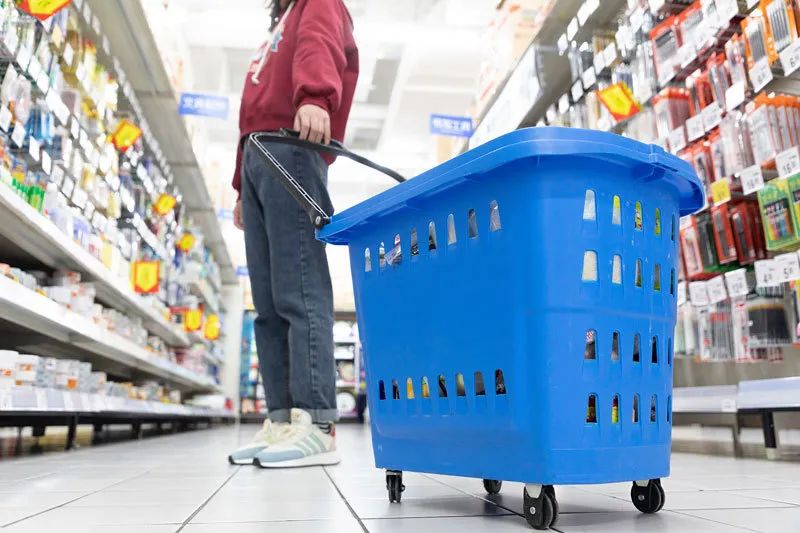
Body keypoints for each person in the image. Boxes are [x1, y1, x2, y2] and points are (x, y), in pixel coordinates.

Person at [228, 0, 358, 468]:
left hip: (291, 146)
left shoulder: (316, 2)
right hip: (260, 154)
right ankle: (283, 417)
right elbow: (251, 106)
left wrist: (315, 97)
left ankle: (316, 421)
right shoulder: (277, 22)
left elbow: (319, 44)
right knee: (267, 304)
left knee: (300, 291)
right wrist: (241, 183)